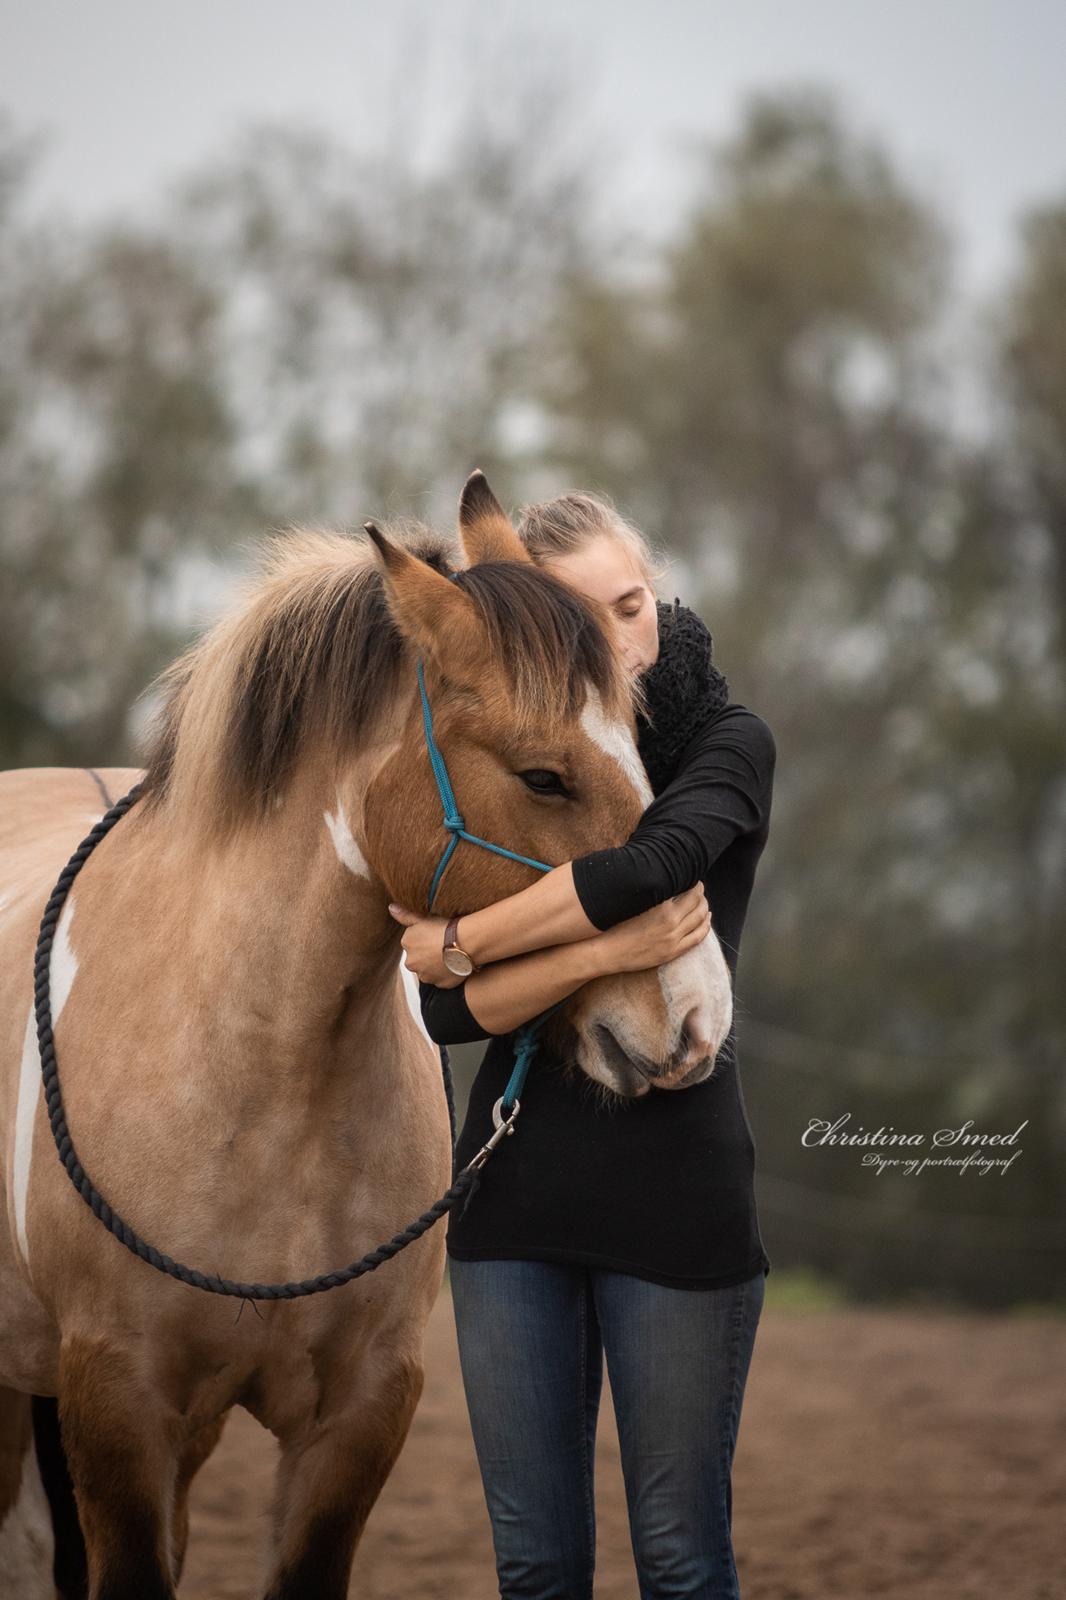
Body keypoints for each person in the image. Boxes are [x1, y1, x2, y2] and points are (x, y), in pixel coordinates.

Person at [389, 490, 776, 1600]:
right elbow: (444, 1017)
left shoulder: (727, 741)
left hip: (680, 1195)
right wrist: (535, 966)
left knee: (681, 1558)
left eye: (630, 603)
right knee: (538, 1567)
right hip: (513, 1209)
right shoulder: (521, 772)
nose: (619, 640)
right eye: (583, 622)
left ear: (655, 592)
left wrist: (460, 941)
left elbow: (651, 869)